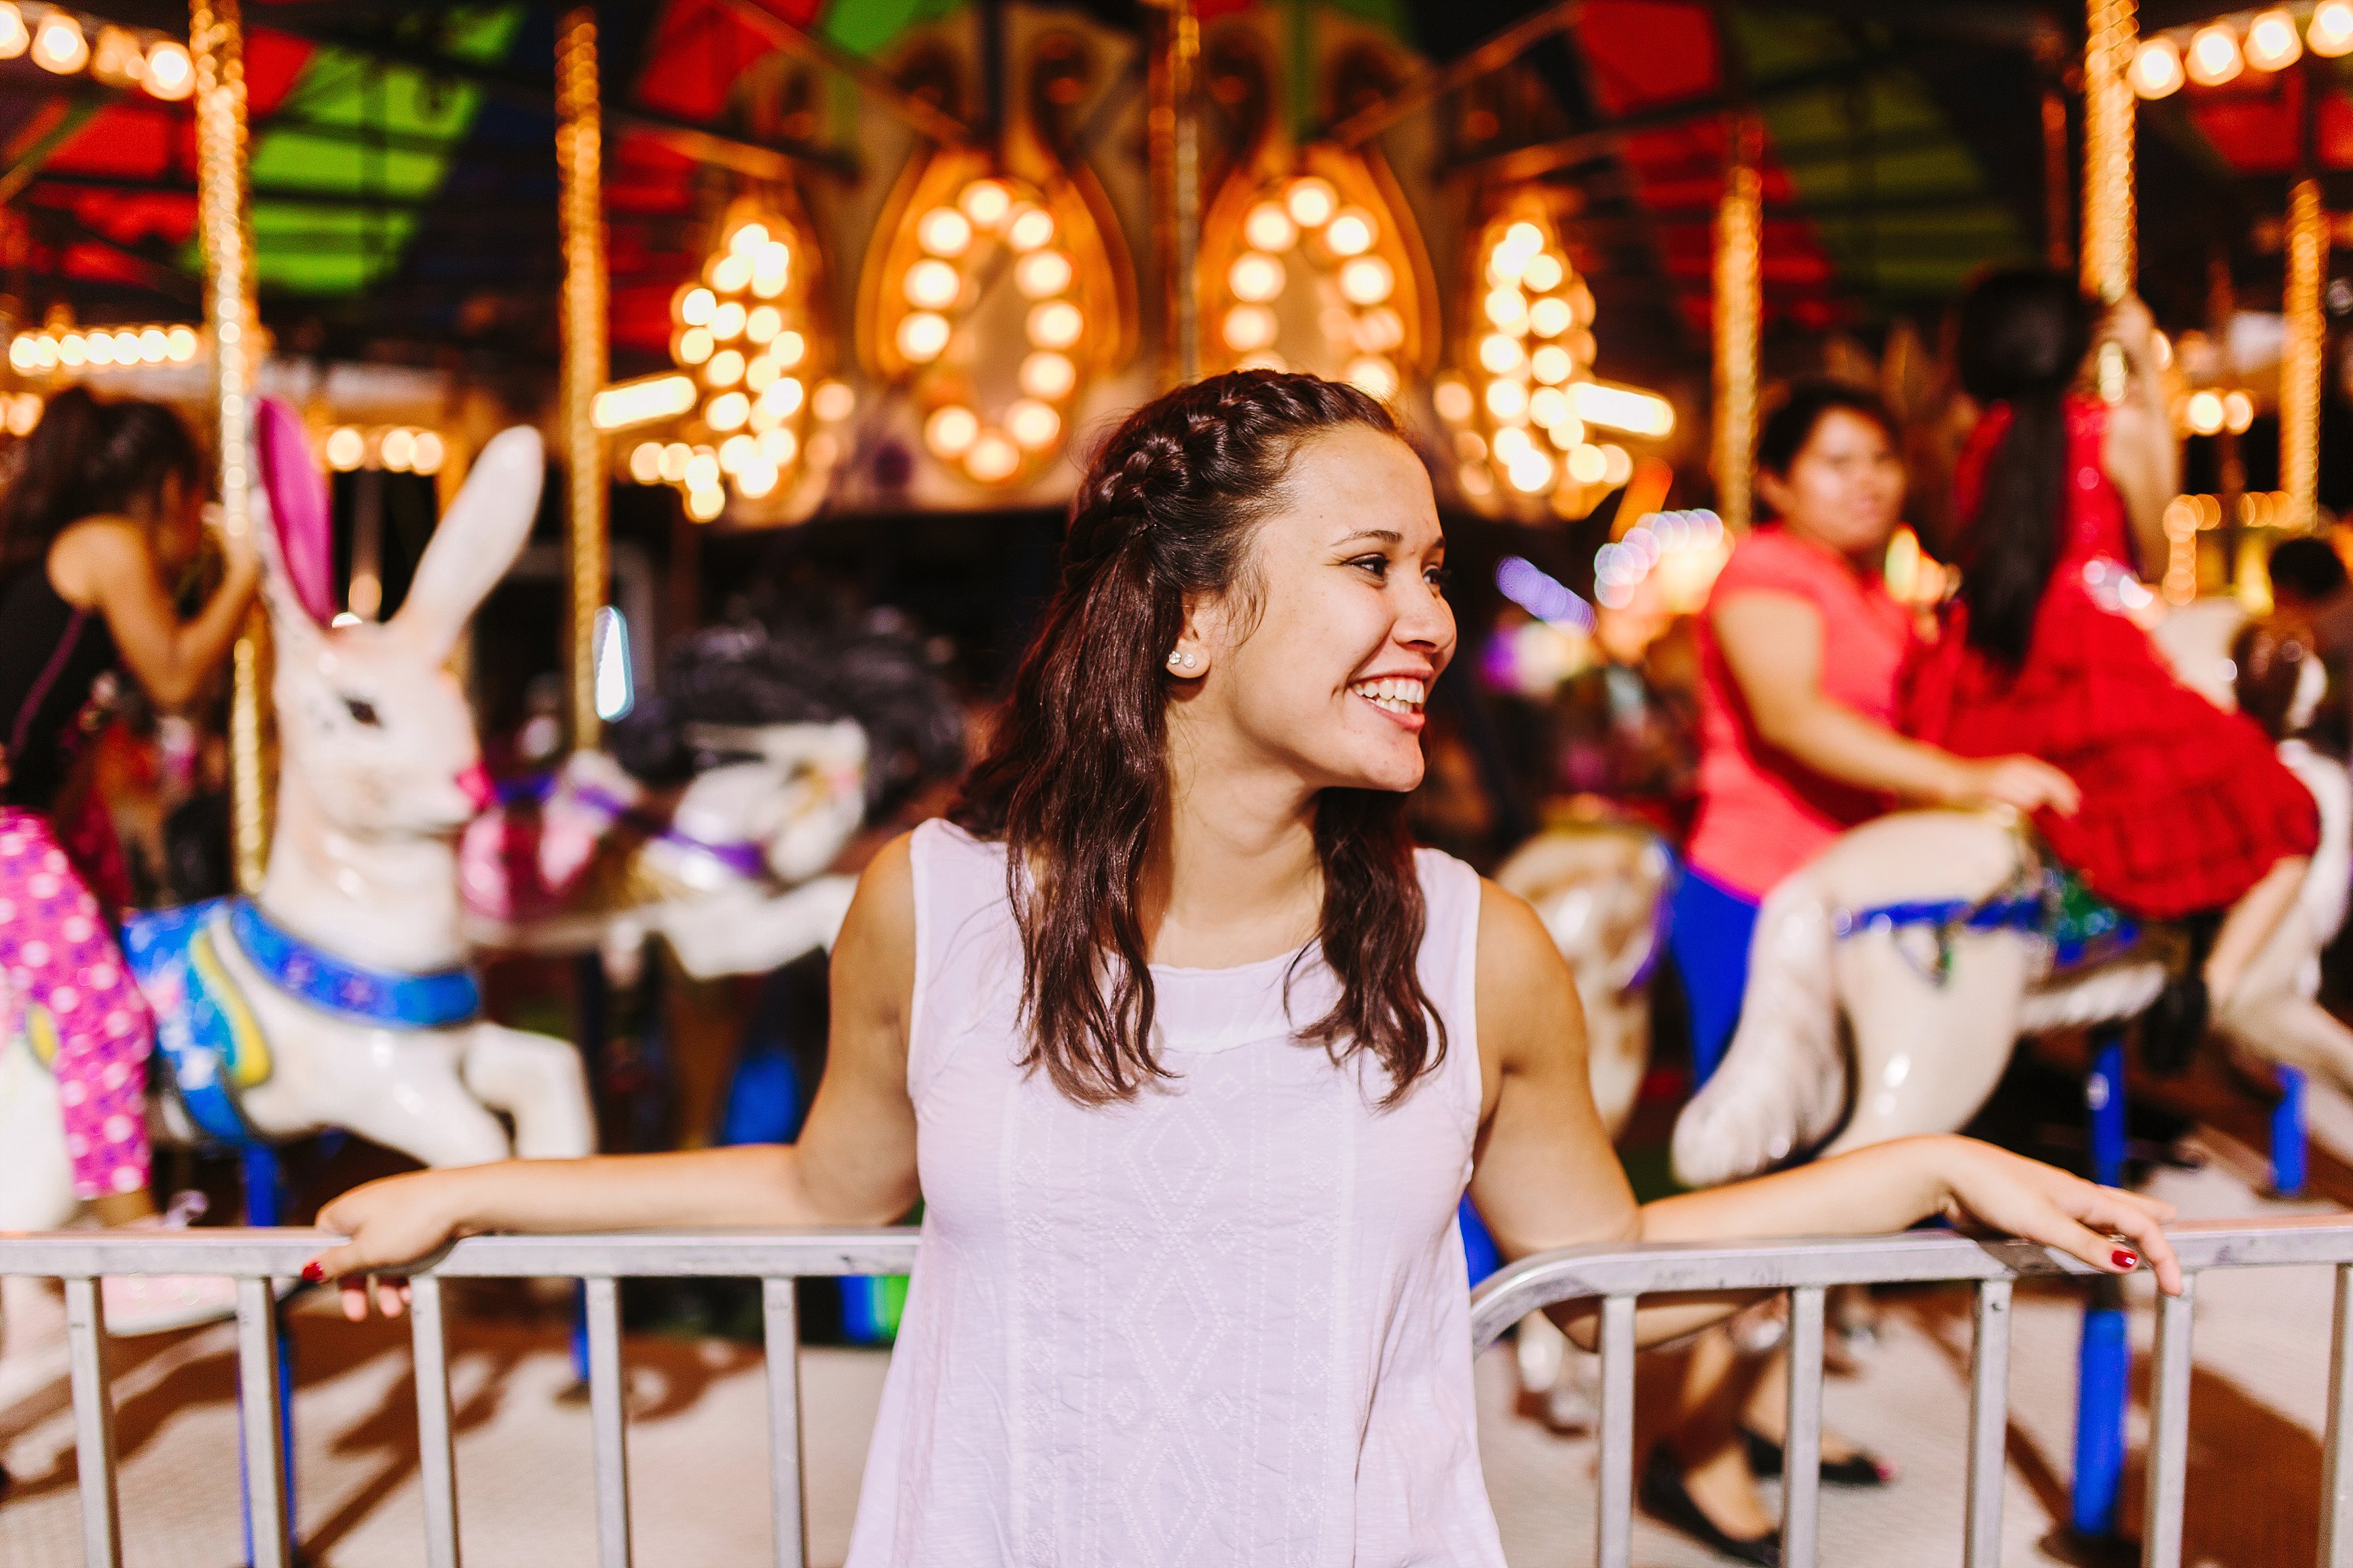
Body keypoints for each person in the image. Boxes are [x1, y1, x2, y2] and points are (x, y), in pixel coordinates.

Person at [304, 372, 2179, 1568]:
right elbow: (820, 1186)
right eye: (1371, 563)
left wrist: (1928, 1171)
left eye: (1435, 566)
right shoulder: (940, 905)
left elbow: (1597, 1279)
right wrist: (467, 1194)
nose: (1431, 616)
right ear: (1191, 617)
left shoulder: (1470, 943)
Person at [1657, 381, 2080, 1561]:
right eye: (1837, 460)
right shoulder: (1768, 575)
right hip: (1756, 891)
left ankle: (1751, 1405)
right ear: (1780, 480)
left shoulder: (1868, 590)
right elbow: (1794, 721)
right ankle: (1692, 1447)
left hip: (1862, 904)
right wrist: (1968, 776)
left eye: (1883, 458)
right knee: (1763, 1176)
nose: (1868, 480)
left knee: (1834, 1170)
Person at [1904, 270, 2319, 1023]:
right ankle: (2207, 989)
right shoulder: (2109, 428)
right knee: (2284, 810)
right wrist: (2150, 383)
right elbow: (2157, 555)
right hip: (2093, 658)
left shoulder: (1968, 444)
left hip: (1988, 661)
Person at [0, 386, 260, 1331]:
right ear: (163, 490)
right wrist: (248, 572)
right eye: (197, 502)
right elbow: (183, 679)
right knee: (102, 1012)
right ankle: (134, 1254)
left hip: (21, 827)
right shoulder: (107, 543)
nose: (199, 527)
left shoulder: (66, 566)